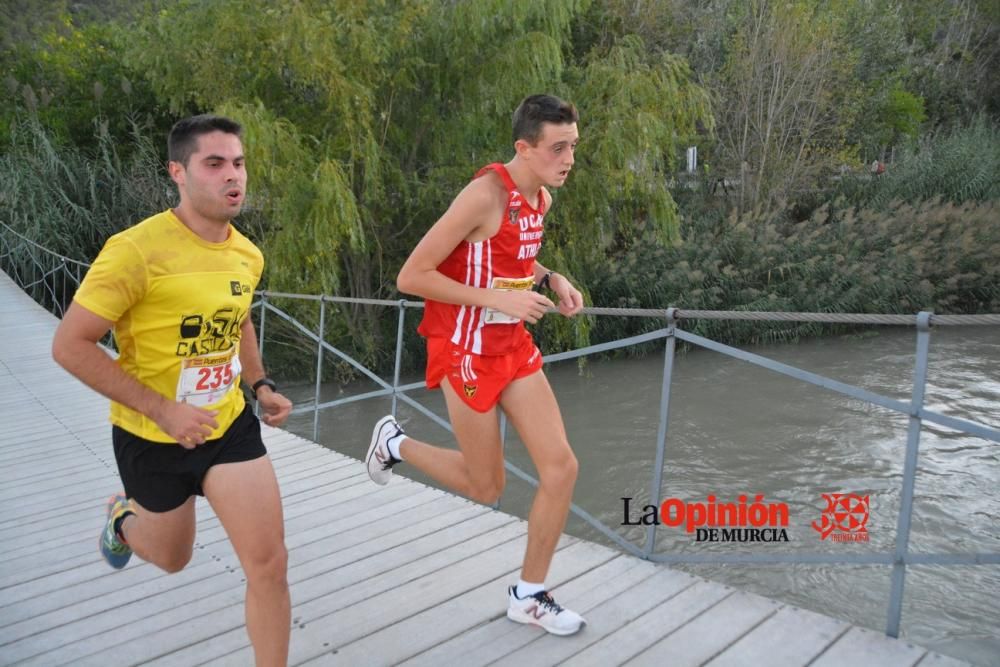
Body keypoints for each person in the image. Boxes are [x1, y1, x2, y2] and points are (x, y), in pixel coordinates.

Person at [52, 115, 293, 666]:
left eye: (238, 163)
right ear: (178, 173)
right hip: (151, 436)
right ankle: (122, 519)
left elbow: (240, 318)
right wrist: (162, 410)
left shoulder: (247, 255)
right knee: (172, 557)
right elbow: (70, 345)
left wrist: (259, 383)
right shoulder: (135, 250)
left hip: (227, 426)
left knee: (270, 565)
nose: (233, 176)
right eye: (214, 164)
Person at [366, 94, 587, 635]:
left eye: (574, 147)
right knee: (486, 486)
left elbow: (510, 258)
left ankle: (529, 595)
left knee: (562, 468)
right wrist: (495, 299)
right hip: (464, 349)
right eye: (558, 148)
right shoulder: (483, 195)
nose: (569, 160)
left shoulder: (541, 201)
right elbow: (411, 276)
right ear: (524, 148)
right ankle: (394, 445)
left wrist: (549, 278)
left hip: (512, 347)